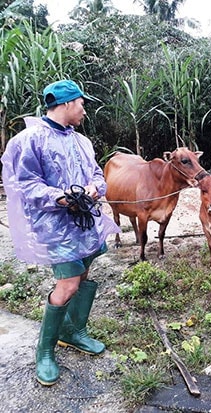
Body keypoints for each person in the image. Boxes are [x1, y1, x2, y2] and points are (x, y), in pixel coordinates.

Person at [1, 79, 120, 386]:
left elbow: (96, 173)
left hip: (86, 222)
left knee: (83, 272)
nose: (84, 110)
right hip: (55, 227)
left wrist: (95, 188)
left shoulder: (81, 141)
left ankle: (74, 331)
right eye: (81, 104)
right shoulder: (30, 140)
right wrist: (60, 197)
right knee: (67, 283)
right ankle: (45, 351)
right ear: (67, 103)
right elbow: (24, 184)